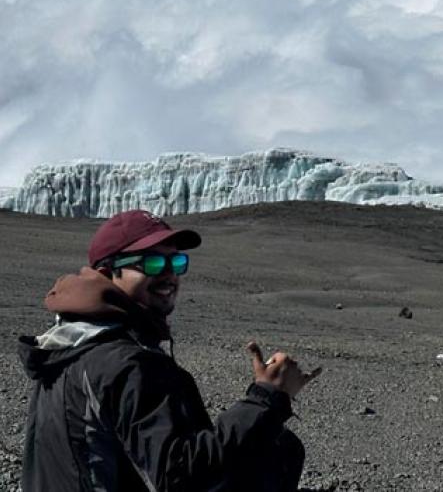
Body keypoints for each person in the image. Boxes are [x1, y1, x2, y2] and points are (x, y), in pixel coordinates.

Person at [17, 209, 320, 491]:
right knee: (276, 451)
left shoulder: (72, 344)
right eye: (151, 262)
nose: (169, 275)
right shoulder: (125, 362)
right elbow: (180, 477)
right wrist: (266, 397)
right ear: (108, 274)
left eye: (176, 263)